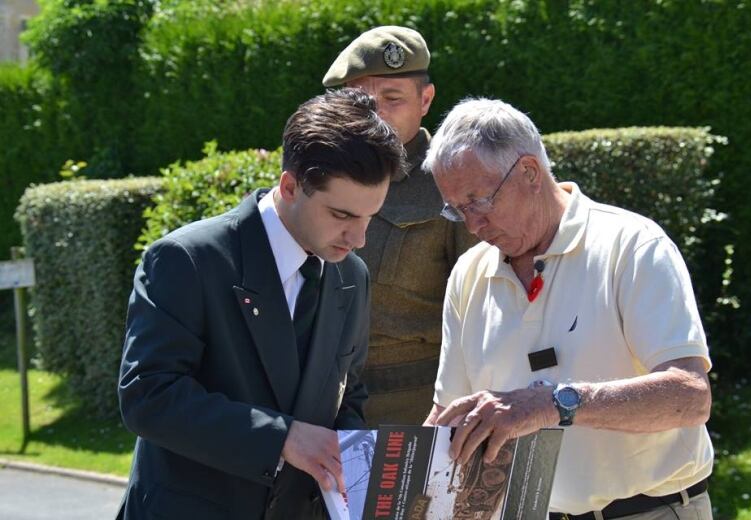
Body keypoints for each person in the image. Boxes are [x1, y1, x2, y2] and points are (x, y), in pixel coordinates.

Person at [116, 88, 404, 519]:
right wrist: (281, 438)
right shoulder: (188, 259)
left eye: (370, 217)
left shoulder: (352, 276)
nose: (359, 238)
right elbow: (148, 396)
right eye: (342, 216)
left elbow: (348, 396)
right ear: (290, 186)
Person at [422, 98, 714, 519]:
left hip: (649, 511)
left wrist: (550, 405)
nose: (472, 225)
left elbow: (690, 397)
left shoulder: (632, 245)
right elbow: (448, 415)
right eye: (457, 210)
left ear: (529, 172)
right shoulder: (469, 274)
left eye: (479, 201)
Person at [323, 26, 477, 425]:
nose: (376, 114)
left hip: (413, 408)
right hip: (319, 398)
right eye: (361, 101)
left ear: (425, 100)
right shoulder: (317, 176)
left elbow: (482, 309)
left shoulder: (451, 183)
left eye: (393, 99)